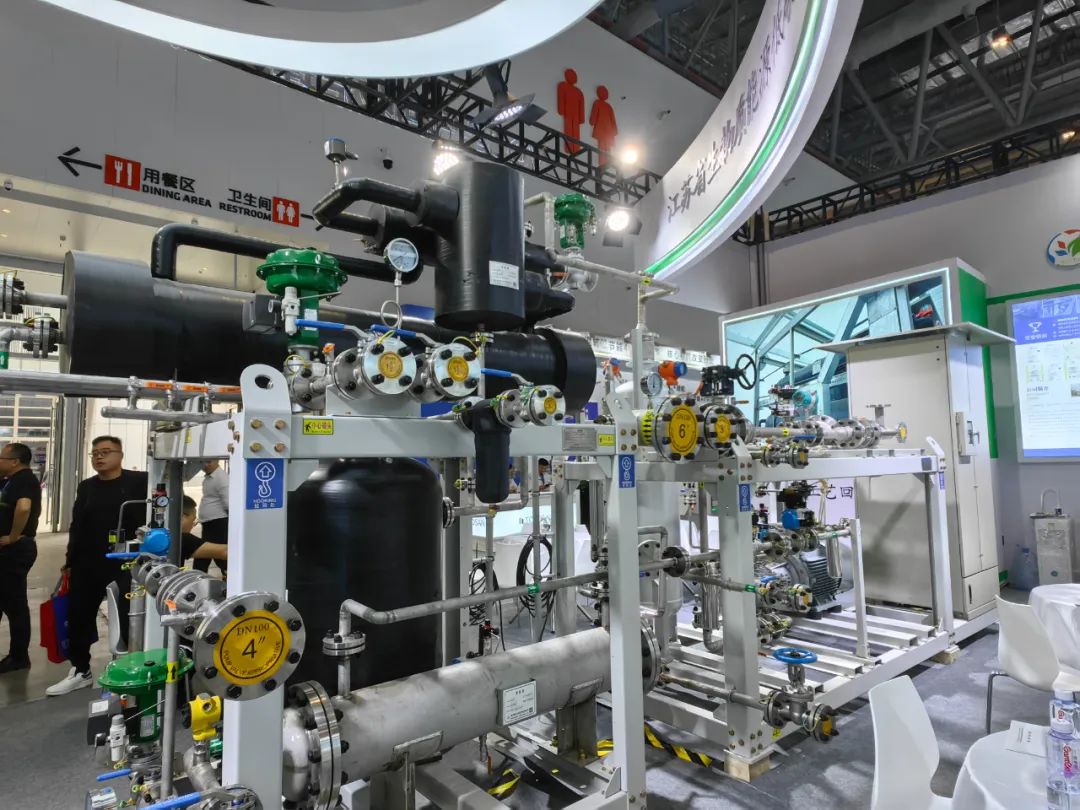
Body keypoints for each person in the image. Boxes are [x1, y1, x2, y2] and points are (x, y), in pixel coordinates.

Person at [47, 436, 148, 696]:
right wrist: (70, 561)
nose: (99, 457)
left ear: (120, 455)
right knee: (78, 615)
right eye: (95, 453)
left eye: (105, 452)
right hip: (88, 562)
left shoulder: (140, 482)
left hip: (125, 562)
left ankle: (130, 667)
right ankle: (81, 670)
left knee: (128, 616)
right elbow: (77, 525)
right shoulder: (87, 487)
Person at [0, 443, 42, 673]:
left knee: (15, 605)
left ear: (15, 461)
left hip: (15, 550)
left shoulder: (24, 479)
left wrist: (13, 536)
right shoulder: (10, 480)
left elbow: (24, 507)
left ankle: (19, 657)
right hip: (8, 551)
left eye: (2, 458)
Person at [196, 460, 228, 575]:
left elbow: (229, 503)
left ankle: (228, 576)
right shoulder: (209, 478)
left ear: (217, 460)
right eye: (202, 462)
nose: (205, 465)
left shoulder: (221, 478)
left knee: (215, 553)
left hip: (218, 523)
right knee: (204, 553)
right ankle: (198, 576)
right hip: (209, 523)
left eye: (209, 462)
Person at [178, 496, 227, 569]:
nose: (193, 525)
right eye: (193, 520)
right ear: (182, 517)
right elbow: (225, 552)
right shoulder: (182, 539)